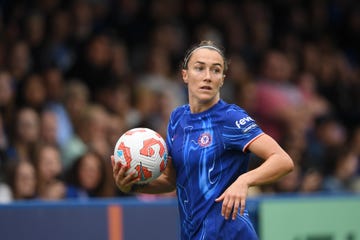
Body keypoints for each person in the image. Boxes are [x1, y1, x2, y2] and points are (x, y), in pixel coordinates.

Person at [111, 40, 294, 239]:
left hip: (230, 234)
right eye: (199, 68)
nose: (207, 76)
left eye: (216, 70)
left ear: (222, 79)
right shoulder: (177, 119)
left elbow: (283, 160)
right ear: (185, 75)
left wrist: (245, 181)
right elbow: (173, 180)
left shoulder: (230, 117)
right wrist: (131, 186)